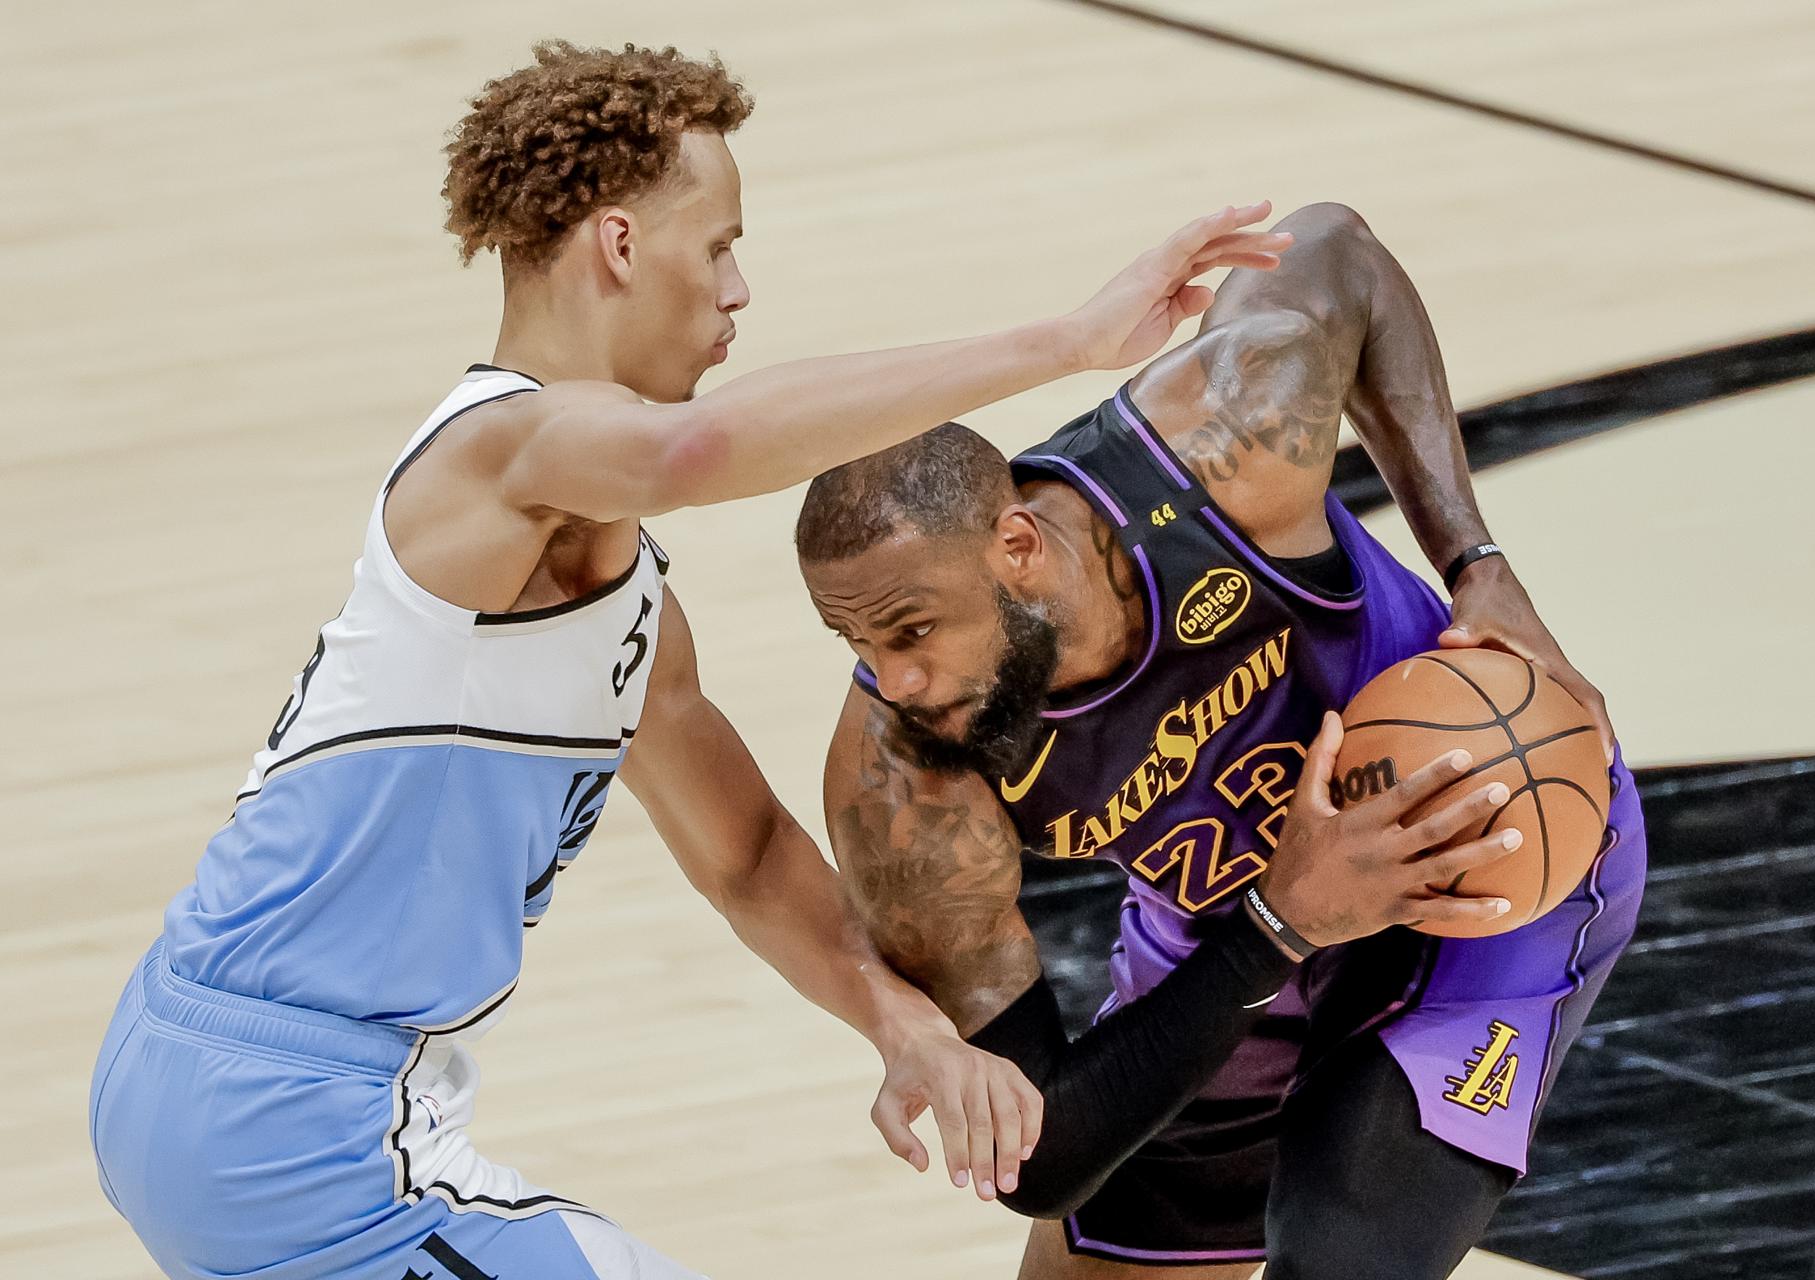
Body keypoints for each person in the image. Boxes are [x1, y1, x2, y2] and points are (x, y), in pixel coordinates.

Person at [87, 40, 1291, 1280]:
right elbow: (698, 448)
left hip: (272, 1086)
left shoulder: (626, 605)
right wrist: (1069, 339)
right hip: (290, 1119)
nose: (738, 288)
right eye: (715, 244)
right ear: (618, 244)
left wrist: (905, 1026)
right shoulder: (495, 450)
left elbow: (751, 856)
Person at [797, 201, 1647, 1279]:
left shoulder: (1205, 459)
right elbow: (1041, 1151)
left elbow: (1339, 249)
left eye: (913, 629)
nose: (896, 678)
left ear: (1017, 545)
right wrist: (1277, 924)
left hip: (1477, 856)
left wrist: (1475, 559)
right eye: (857, 639)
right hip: (1237, 934)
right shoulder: (900, 775)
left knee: (1337, 1265)